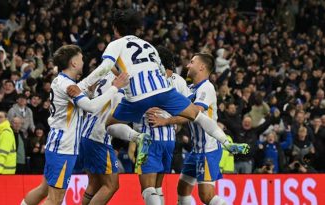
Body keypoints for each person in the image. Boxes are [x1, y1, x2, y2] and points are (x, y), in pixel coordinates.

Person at [66, 9, 250, 171]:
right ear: (137, 29)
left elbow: (104, 67)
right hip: (163, 91)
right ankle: (226, 142)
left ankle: (139, 138)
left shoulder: (116, 44)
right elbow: (161, 71)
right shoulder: (149, 46)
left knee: (110, 124)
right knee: (198, 115)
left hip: (137, 97)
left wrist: (80, 86)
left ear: (116, 29)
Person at [21, 45, 128, 205]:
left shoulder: (62, 80)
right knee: (55, 199)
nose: (83, 61)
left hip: (56, 142)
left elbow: (83, 86)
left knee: (43, 189)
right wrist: (115, 88)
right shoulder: (68, 86)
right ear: (74, 63)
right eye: (81, 59)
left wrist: (91, 88)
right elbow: (91, 107)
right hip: (64, 146)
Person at [147, 53, 228, 205]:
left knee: (206, 196)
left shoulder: (207, 87)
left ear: (202, 67)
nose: (187, 65)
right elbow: (174, 104)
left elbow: (193, 114)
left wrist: (166, 121)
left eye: (192, 62)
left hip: (208, 149)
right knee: (183, 189)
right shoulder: (190, 88)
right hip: (196, 150)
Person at [128, 46, 191, 205]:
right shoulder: (179, 81)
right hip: (169, 141)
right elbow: (190, 114)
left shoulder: (145, 79)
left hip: (149, 139)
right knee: (158, 188)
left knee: (148, 190)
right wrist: (172, 122)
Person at [78, 72, 123, 205]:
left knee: (95, 183)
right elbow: (117, 116)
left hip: (86, 132)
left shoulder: (105, 74)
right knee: (111, 185)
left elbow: (90, 92)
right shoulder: (123, 81)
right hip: (98, 137)